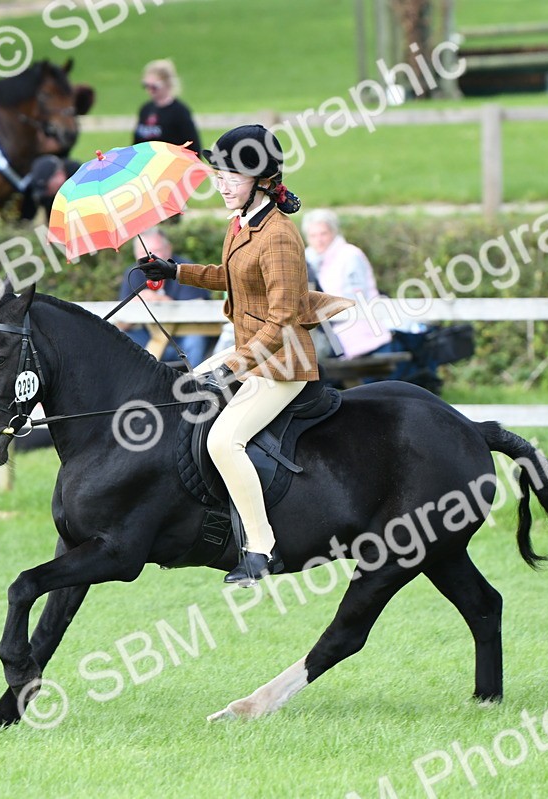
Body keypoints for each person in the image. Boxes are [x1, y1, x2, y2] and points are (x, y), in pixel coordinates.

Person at [138, 125, 352, 585]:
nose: (221, 185)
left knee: (223, 441)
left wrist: (234, 367)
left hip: (281, 364)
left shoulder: (278, 236)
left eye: (230, 176)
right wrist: (172, 270)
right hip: (247, 353)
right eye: (218, 175)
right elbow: (229, 276)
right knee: (186, 390)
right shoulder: (242, 224)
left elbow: (285, 318)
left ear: (261, 179)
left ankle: (261, 549)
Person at [302, 209, 394, 360]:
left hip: (363, 333)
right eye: (313, 235)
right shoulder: (308, 260)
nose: (319, 240)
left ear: (333, 232)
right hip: (331, 335)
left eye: (323, 233)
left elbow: (354, 298)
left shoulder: (350, 255)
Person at [117, 227, 213, 364]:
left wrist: (160, 301)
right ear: (135, 254)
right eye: (142, 253)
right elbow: (122, 323)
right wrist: (137, 304)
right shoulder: (132, 273)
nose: (149, 258)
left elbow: (198, 311)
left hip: (183, 336)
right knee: (121, 338)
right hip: (148, 337)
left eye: (156, 251)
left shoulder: (184, 268)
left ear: (168, 249)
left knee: (195, 339)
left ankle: (196, 382)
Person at [133, 59, 201, 154]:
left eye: (154, 86)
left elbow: (193, 147)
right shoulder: (145, 109)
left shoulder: (179, 111)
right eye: (146, 85)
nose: (149, 90)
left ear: (167, 83)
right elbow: (136, 146)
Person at [19, 154, 81, 223]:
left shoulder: (80, 175)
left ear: (59, 175)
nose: (46, 193)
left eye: (47, 188)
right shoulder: (47, 198)